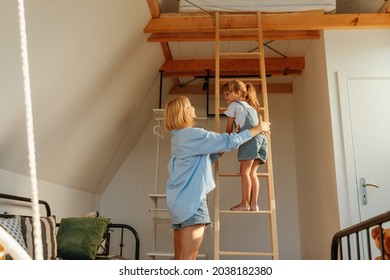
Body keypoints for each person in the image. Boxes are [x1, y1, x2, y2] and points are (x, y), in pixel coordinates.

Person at [164, 96, 270, 260]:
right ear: (184, 112)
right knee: (188, 260)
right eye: (190, 106)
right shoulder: (193, 135)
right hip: (192, 204)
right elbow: (227, 141)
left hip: (178, 204)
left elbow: (205, 159)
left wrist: (225, 145)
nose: (193, 108)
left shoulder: (178, 138)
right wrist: (258, 128)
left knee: (179, 260)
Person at [221, 80, 268, 212]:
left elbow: (229, 129)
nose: (225, 98)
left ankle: (245, 203)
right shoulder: (250, 107)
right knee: (253, 173)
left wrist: (225, 141)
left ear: (238, 93)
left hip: (250, 140)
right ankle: (254, 204)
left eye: (227, 94)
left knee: (244, 172)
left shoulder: (234, 105)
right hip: (262, 139)